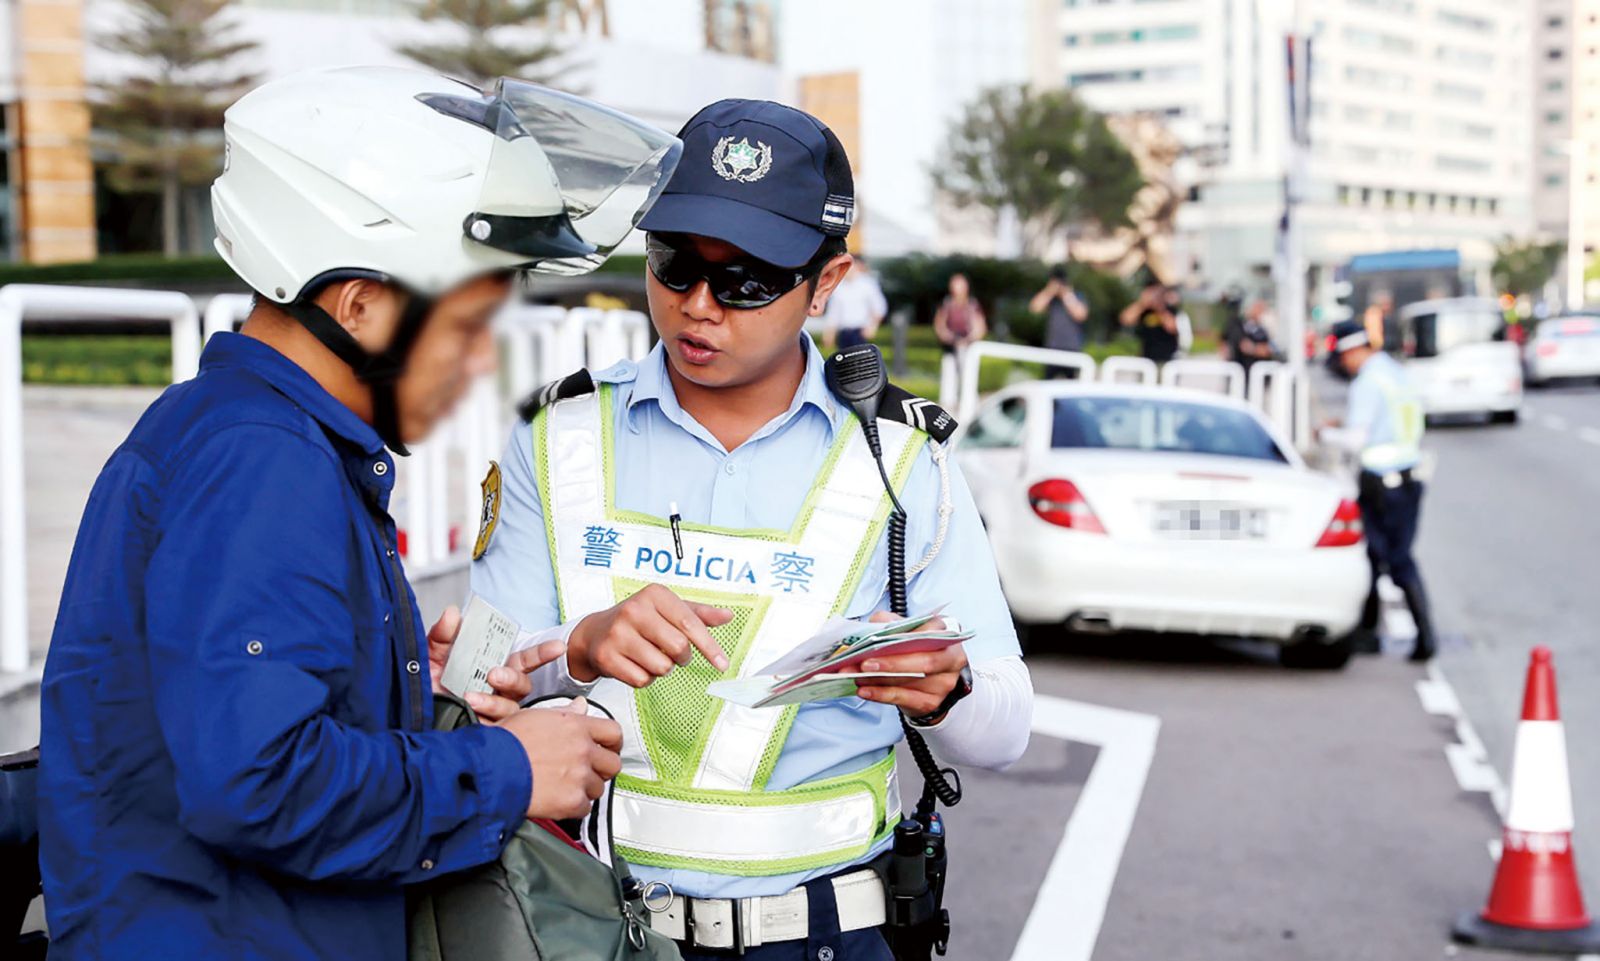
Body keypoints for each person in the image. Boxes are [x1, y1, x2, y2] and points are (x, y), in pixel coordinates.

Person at [34, 67, 656, 960]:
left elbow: (226, 705)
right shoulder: (264, 462)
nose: (477, 364)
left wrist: (400, 679)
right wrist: (509, 770)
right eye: (466, 329)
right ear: (360, 304)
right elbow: (257, 781)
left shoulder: (238, 433)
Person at [470, 98, 1033, 961]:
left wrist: (947, 691)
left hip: (824, 937)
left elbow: (1005, 729)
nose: (699, 305)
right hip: (589, 923)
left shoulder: (903, 456)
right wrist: (577, 646)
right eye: (673, 263)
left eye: (747, 280)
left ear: (827, 283)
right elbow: (474, 689)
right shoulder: (558, 435)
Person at [1320, 319, 1437, 662]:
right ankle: (1370, 632)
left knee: (1391, 557)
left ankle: (1422, 636)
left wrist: (1325, 436)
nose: (1342, 364)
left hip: (1382, 483)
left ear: (1353, 350)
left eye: (1342, 357)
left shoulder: (1367, 383)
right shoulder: (1395, 373)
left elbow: (1358, 440)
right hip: (1408, 475)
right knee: (1375, 554)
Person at [1030, 265, 1088, 378]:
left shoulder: (1077, 296)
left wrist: (1067, 295)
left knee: (1071, 389)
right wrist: (1049, 291)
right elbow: (1035, 308)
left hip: (1072, 350)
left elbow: (1080, 315)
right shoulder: (1051, 299)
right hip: (1052, 349)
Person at [822, 253, 888, 351]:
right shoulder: (838, 287)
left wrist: (872, 326)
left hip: (860, 332)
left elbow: (879, 307)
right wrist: (829, 333)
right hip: (844, 333)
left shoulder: (867, 285)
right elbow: (834, 313)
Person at [1120, 280, 1181, 363]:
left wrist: (1159, 307)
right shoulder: (1144, 310)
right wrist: (1142, 304)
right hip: (1146, 357)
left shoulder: (1169, 308)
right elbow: (1125, 319)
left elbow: (1172, 327)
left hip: (1167, 358)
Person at [933, 272, 987, 356]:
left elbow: (980, 328)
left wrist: (967, 340)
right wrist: (951, 339)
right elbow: (939, 325)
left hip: (970, 349)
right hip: (949, 349)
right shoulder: (946, 304)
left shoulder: (973, 305)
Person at [1227, 299, 1278, 376]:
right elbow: (1245, 346)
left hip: (1259, 375)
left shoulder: (1262, 329)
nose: (1261, 312)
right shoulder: (1238, 326)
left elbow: (1270, 348)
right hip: (1243, 372)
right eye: (1258, 309)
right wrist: (1258, 349)